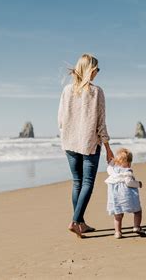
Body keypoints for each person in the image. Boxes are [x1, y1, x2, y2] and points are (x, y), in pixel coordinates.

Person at [58, 53, 115, 239]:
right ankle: (75, 221)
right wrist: (108, 147)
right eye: (96, 69)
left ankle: (80, 223)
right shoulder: (96, 91)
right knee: (87, 182)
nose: (97, 73)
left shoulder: (67, 90)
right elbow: (101, 123)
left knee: (77, 182)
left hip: (69, 142)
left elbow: (60, 118)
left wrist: (66, 133)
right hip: (89, 142)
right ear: (89, 69)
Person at [105, 148, 145, 239]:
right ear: (128, 162)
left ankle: (118, 232)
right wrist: (138, 184)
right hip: (127, 196)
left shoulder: (113, 171)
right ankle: (136, 227)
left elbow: (109, 167)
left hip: (115, 197)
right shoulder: (127, 171)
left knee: (118, 215)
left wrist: (112, 161)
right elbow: (129, 182)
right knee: (137, 211)